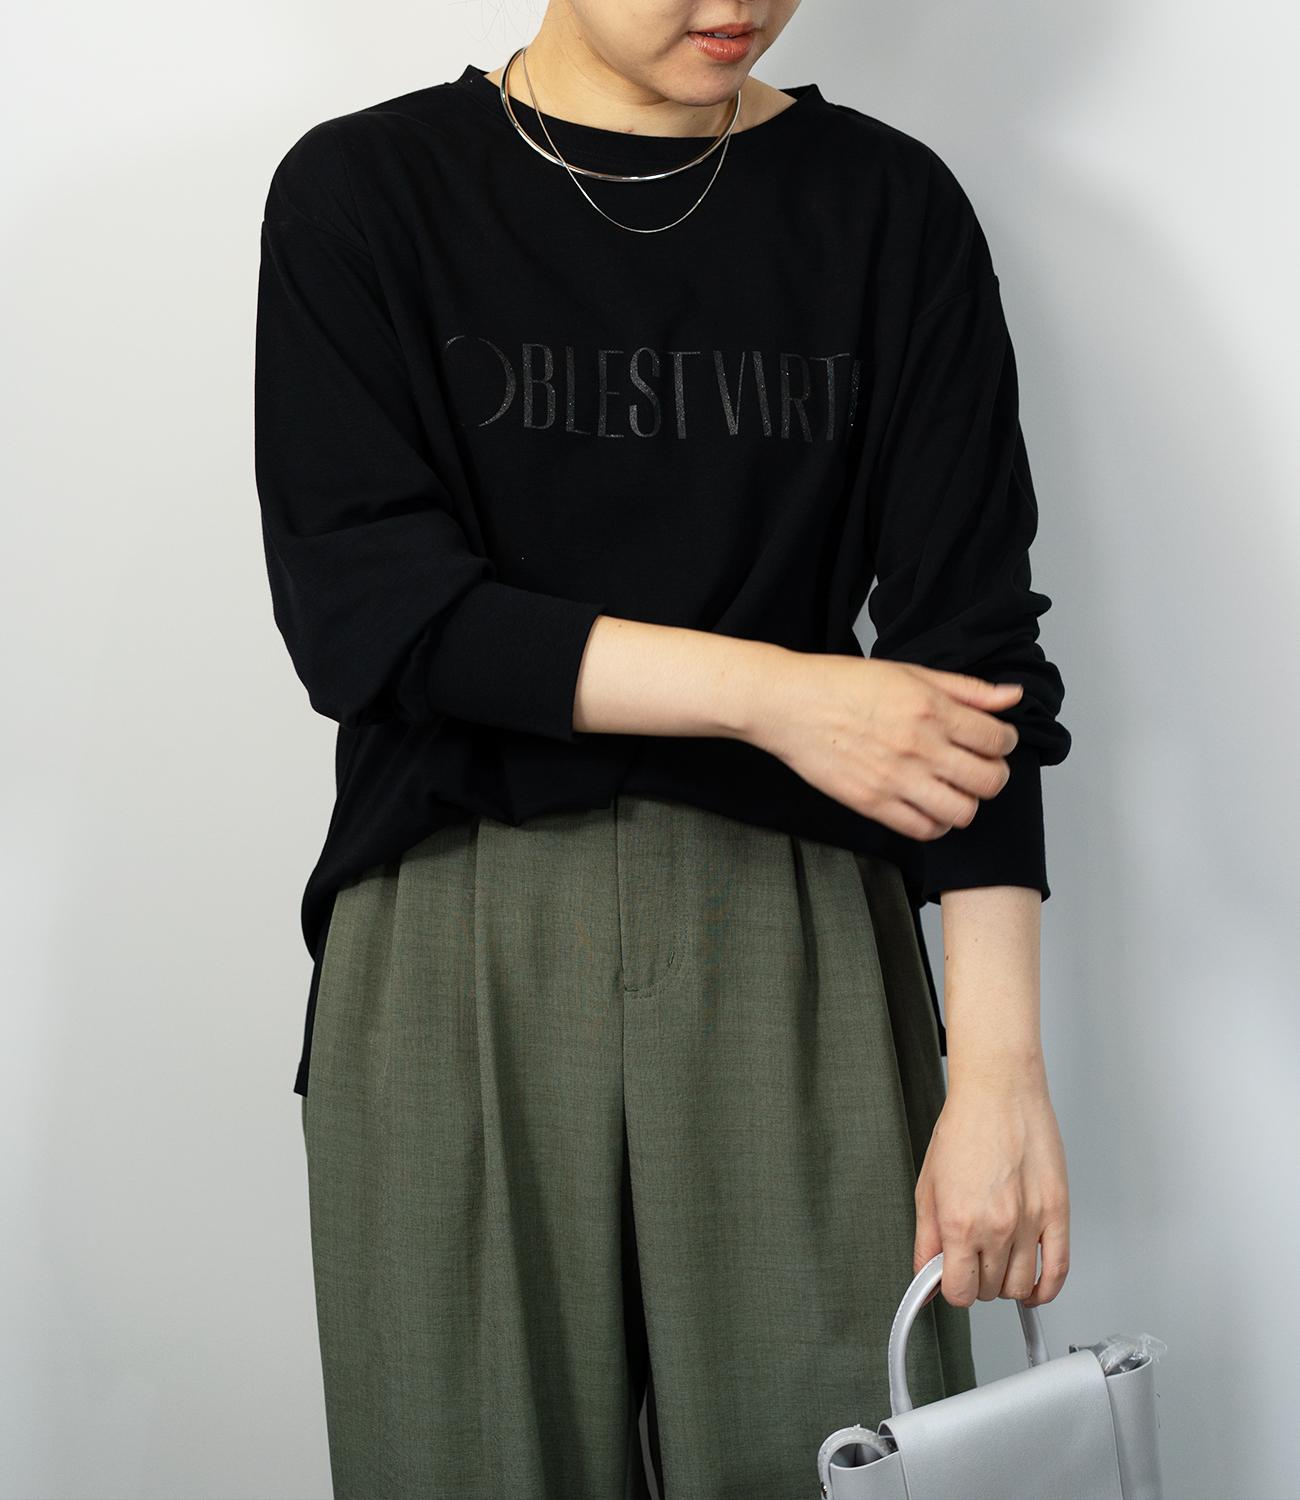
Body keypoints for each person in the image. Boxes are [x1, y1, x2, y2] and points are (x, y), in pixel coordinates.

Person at [253, 2, 1074, 1495]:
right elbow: (367, 615)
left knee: (833, 1458)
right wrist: (779, 695)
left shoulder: (886, 205)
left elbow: (975, 655)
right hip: (454, 927)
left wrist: (1001, 1071)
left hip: (798, 941)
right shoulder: (366, 190)